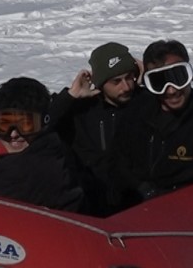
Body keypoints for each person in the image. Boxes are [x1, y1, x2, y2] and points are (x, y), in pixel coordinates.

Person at [108, 39, 193, 209]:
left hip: (182, 210)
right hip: (132, 208)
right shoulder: (135, 113)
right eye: (159, 82)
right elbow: (116, 161)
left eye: (178, 78)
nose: (171, 90)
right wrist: (141, 188)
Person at [47, 42, 141, 212]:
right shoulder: (80, 110)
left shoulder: (144, 103)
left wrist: (152, 83)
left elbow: (191, 111)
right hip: (89, 206)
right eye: (116, 81)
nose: (126, 86)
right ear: (100, 83)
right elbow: (40, 127)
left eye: (129, 77)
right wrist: (70, 97)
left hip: (137, 204)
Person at [0, 77, 93, 213]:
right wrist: (68, 96)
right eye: (3, 124)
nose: (13, 134)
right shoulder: (57, 145)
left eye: (26, 124)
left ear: (42, 123)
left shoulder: (13, 173)